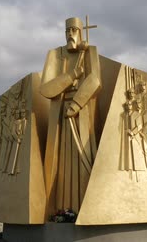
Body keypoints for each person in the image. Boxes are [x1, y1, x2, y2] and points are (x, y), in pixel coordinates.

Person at [40, 17, 102, 215]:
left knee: (82, 160)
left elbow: (95, 80)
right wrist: (71, 76)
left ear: (81, 33)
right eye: (67, 30)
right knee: (57, 166)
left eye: (74, 30)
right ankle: (57, 210)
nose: (70, 34)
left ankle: (85, 209)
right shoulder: (54, 55)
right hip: (58, 113)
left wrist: (76, 104)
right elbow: (47, 89)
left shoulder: (90, 51)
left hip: (81, 111)